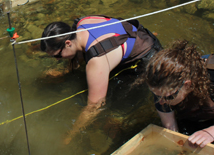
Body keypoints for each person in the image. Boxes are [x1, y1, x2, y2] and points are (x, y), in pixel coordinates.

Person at [40, 15, 162, 143]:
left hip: (148, 61)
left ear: (68, 43)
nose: (58, 60)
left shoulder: (96, 62)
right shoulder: (82, 22)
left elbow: (95, 107)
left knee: (117, 108)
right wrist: (67, 70)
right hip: (142, 35)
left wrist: (70, 135)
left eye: (57, 56)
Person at [137, 40, 214, 148]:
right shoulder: (160, 84)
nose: (161, 102)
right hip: (196, 118)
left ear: (187, 85)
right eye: (156, 94)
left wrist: (213, 131)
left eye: (168, 97)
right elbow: (171, 128)